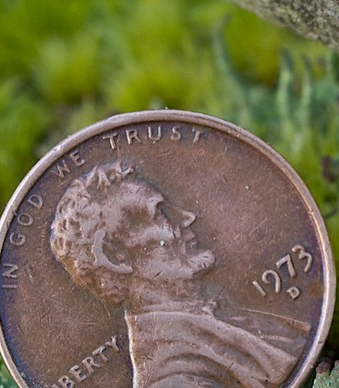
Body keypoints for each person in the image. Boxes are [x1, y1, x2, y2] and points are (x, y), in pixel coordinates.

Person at [49, 161, 308, 387]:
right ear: (116, 257)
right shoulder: (175, 378)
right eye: (159, 213)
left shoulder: (213, 320)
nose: (186, 217)